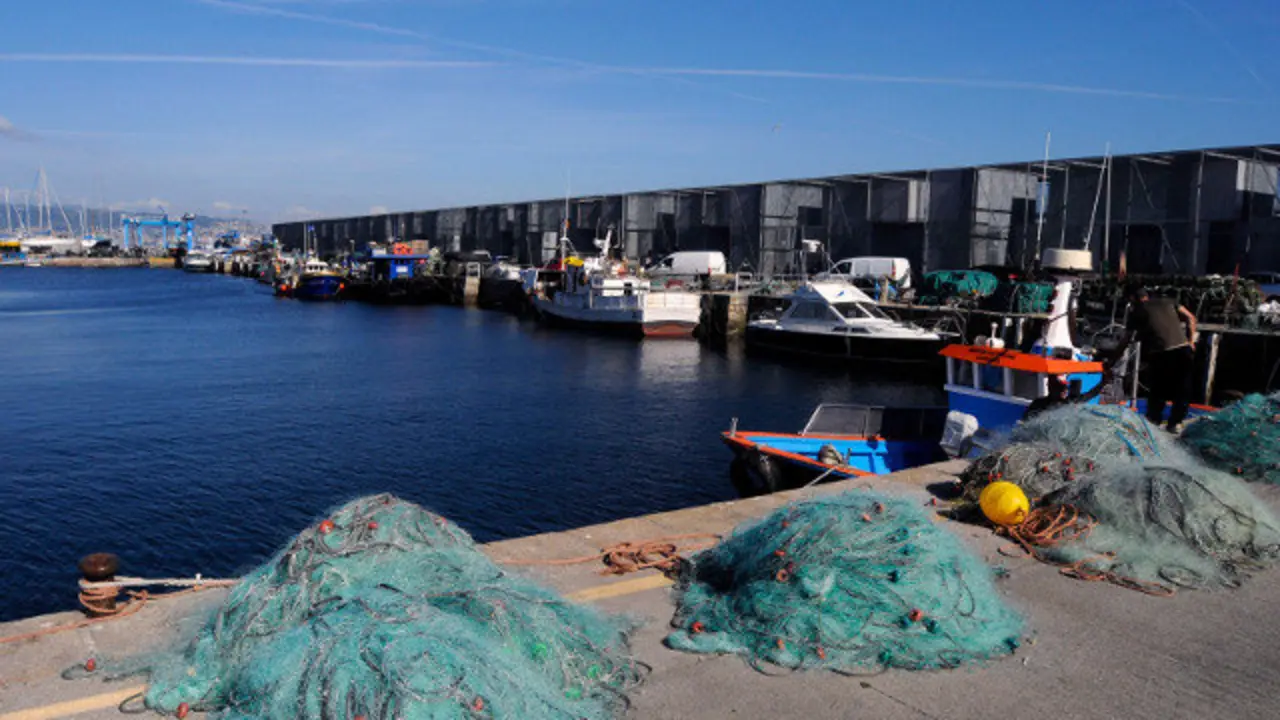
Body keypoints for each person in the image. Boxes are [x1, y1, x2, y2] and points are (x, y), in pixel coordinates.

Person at [1116, 285, 1198, 431]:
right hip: (1183, 349)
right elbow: (1191, 318)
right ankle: (1176, 423)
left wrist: (1113, 358)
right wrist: (1191, 341)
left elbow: (1126, 339)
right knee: (1182, 389)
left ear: (1132, 299)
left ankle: (1154, 421)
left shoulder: (1137, 311)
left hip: (1162, 353)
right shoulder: (1168, 301)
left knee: (1159, 389)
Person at [1024, 371, 1110, 420]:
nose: (1065, 390)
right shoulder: (1039, 403)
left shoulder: (1069, 402)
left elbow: (1091, 394)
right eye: (1061, 388)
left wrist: (1103, 382)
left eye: (1065, 388)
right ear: (1050, 387)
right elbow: (1025, 420)